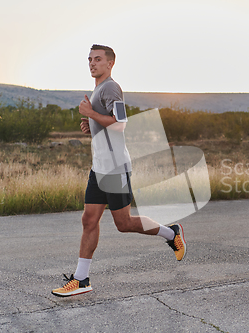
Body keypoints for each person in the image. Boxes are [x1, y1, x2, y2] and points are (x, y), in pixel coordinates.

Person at [52, 44, 186, 297]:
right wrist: (91, 123)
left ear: (110, 63)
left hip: (114, 168)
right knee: (88, 219)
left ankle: (172, 233)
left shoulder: (111, 87)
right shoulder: (97, 89)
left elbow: (121, 124)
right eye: (89, 59)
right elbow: (107, 122)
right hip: (99, 167)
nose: (92, 63)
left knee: (123, 223)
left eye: (98, 59)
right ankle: (81, 280)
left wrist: (91, 113)